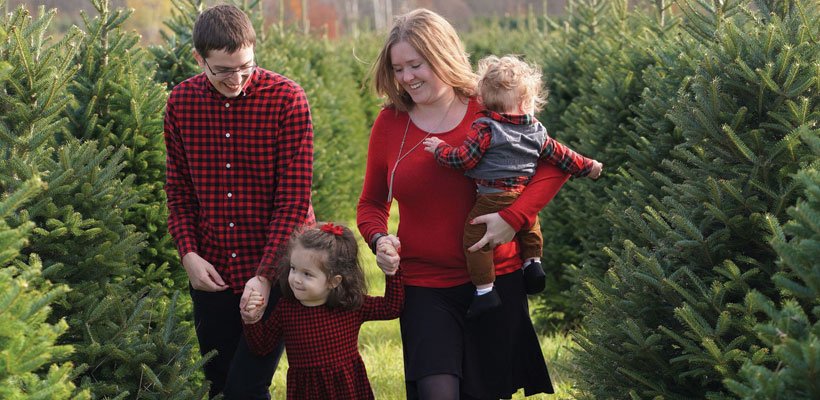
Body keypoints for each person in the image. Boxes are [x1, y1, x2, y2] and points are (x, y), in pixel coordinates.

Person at [358, 8, 568, 400]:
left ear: (443, 55)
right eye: (398, 68)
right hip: (424, 285)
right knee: (438, 391)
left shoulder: (489, 106)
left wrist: (511, 218)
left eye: (416, 65)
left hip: (495, 280)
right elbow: (371, 202)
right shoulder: (390, 124)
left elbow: (554, 167)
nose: (406, 77)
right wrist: (379, 240)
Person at [162, 3, 314, 398]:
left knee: (247, 387)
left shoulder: (287, 100)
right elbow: (178, 191)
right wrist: (188, 255)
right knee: (220, 385)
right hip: (211, 272)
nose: (237, 78)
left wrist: (265, 276)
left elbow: (294, 201)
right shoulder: (181, 104)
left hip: (277, 266)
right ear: (199, 59)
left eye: (245, 65)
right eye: (223, 70)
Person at [421, 55, 603, 318]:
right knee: (529, 226)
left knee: (475, 241)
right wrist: (590, 166)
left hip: (491, 197)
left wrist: (440, 149)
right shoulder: (537, 130)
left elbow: (463, 159)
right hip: (522, 197)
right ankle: (533, 263)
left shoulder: (485, 128)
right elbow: (563, 156)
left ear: (484, 99)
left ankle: (485, 291)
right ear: (525, 101)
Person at [241, 223, 404, 400]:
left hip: (345, 389)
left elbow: (391, 308)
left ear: (333, 281)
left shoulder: (348, 306)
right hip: (306, 391)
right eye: (294, 268)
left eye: (307, 274)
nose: (296, 279)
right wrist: (251, 320)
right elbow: (262, 346)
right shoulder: (286, 309)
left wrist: (392, 272)